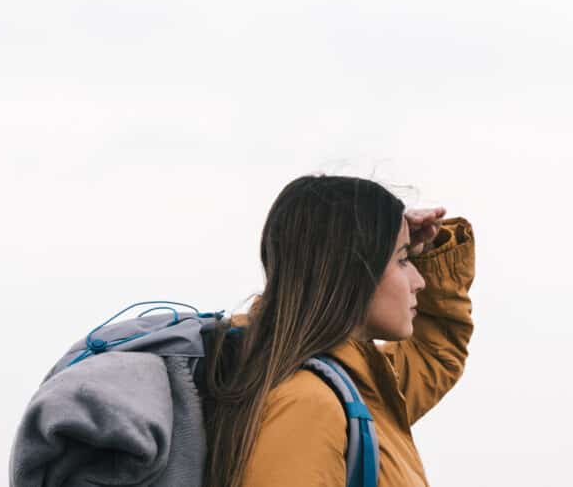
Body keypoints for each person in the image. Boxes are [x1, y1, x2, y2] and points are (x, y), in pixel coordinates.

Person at [198, 174, 476, 487]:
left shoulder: (354, 384)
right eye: (402, 260)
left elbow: (435, 351)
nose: (419, 280)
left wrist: (429, 248)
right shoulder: (307, 404)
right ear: (354, 271)